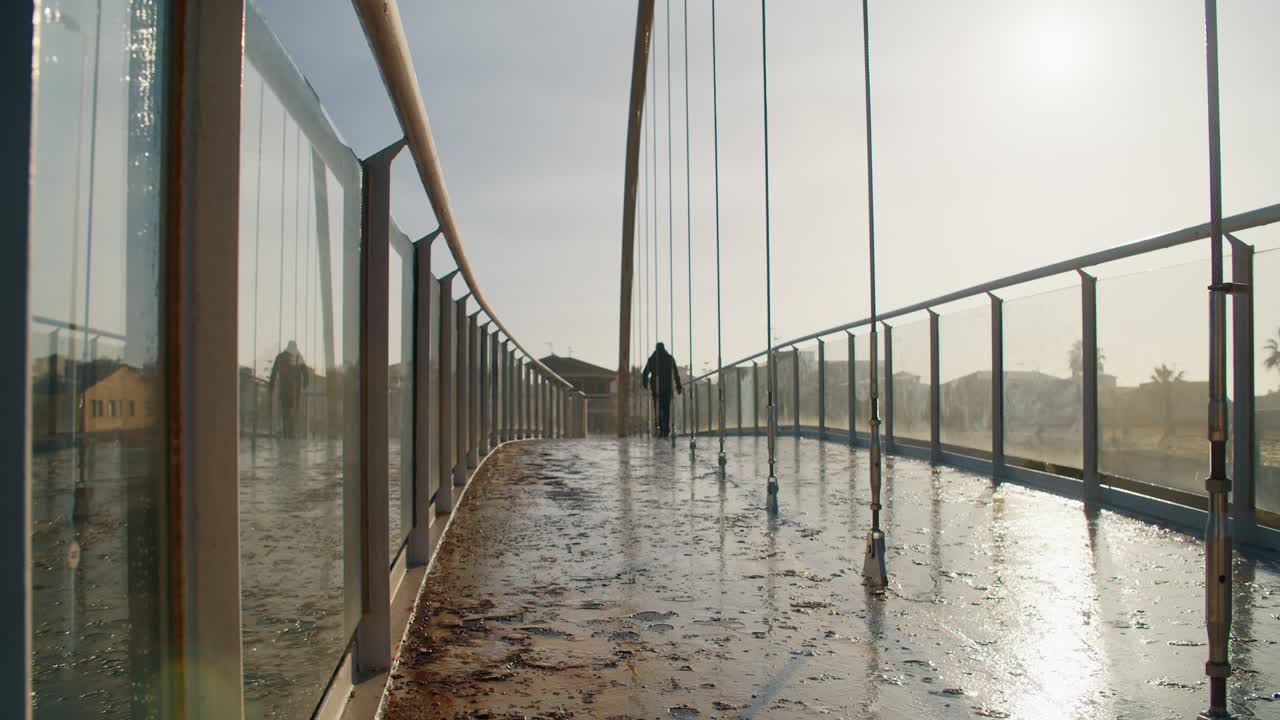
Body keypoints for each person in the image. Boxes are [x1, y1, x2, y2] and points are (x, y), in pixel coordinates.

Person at [641, 342, 683, 438]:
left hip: (657, 390)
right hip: (667, 389)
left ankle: (660, 428)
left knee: (658, 408)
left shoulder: (652, 359)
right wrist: (678, 386)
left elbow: (644, 373)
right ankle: (666, 428)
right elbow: (676, 373)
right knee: (666, 409)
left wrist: (645, 384)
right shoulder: (669, 358)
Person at [269, 340, 309, 438]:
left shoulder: (280, 357)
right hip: (295, 390)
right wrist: (304, 385)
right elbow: (306, 373)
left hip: (283, 389)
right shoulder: (298, 357)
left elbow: (274, 372)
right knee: (293, 411)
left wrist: (271, 386)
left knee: (285, 411)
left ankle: (286, 432)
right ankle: (291, 432)